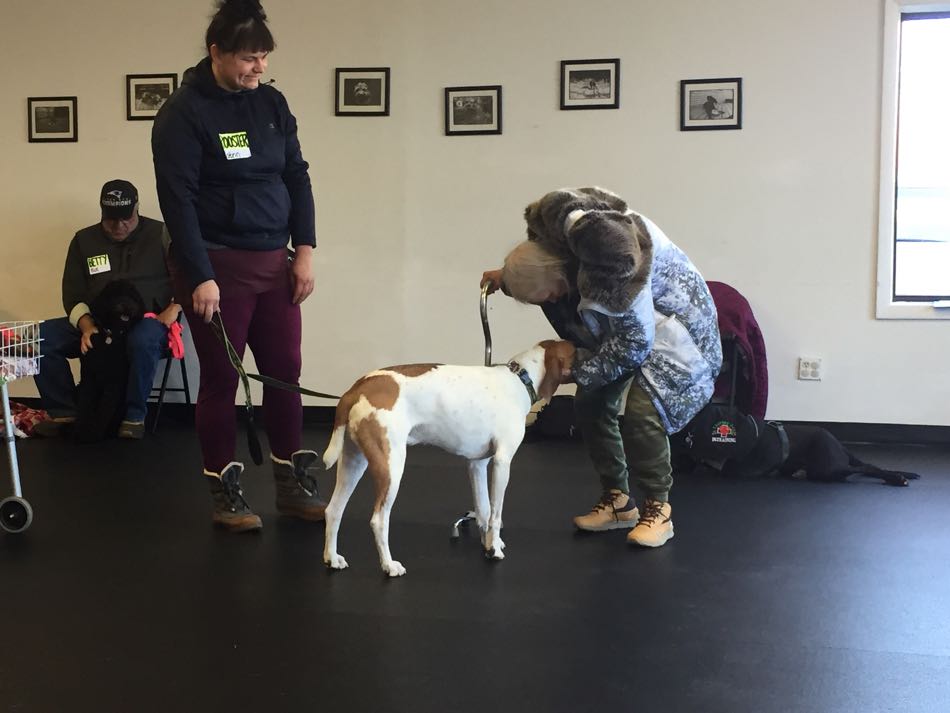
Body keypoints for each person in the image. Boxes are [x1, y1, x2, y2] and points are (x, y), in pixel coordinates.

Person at [152, 0, 321, 533]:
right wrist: (200, 275)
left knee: (285, 374)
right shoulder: (182, 111)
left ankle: (292, 485)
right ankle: (225, 492)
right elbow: (176, 200)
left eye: (264, 57)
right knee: (222, 379)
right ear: (217, 53)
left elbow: (296, 176)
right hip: (215, 265)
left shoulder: (270, 103)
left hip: (274, 260)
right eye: (249, 57)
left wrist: (306, 249)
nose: (259, 68)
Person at [482, 187, 722, 548]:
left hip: (680, 332)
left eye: (544, 295)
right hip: (631, 328)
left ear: (557, 275)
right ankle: (619, 503)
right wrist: (511, 275)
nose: (548, 303)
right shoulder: (563, 250)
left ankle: (659, 509)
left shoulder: (615, 272)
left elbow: (632, 346)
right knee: (590, 403)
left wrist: (575, 370)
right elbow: (539, 269)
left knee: (644, 412)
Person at [34, 179, 180, 440]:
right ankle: (64, 411)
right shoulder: (83, 240)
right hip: (97, 319)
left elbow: (190, 275)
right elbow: (73, 294)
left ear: (137, 208)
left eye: (126, 218)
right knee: (39, 338)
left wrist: (175, 307)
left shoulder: (162, 233)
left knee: (143, 340)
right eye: (111, 219)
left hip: (146, 319)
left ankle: (134, 416)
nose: (119, 226)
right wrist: (87, 325)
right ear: (102, 211)